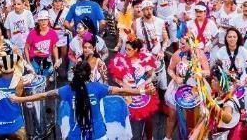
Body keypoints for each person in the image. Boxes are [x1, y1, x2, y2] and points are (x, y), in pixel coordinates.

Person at [17, 60, 149, 140]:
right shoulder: (98, 88)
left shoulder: (67, 90)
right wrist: (143, 91)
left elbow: (43, 95)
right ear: (90, 74)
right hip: (98, 135)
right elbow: (121, 90)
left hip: (75, 136)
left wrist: (20, 99)